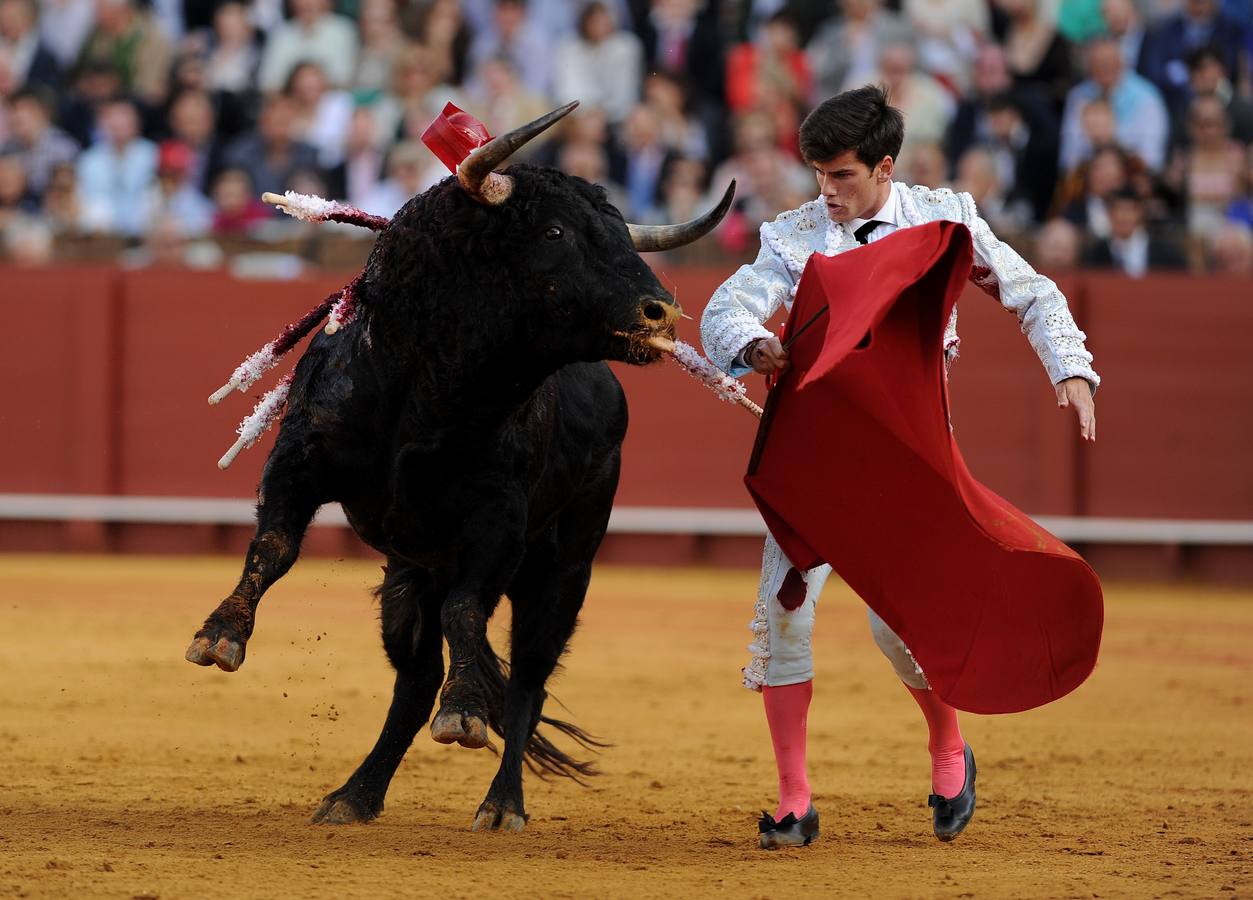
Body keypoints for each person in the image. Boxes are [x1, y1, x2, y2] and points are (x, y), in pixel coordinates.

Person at [699, 84, 1099, 849]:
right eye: (817, 175)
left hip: (907, 456)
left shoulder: (943, 218)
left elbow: (1030, 291)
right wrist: (755, 344)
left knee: (902, 629)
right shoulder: (793, 235)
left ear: (884, 166)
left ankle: (948, 751)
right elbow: (726, 308)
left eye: (842, 176)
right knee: (783, 616)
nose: (827, 192)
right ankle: (793, 800)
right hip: (815, 455)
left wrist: (1070, 370)